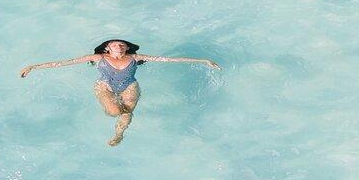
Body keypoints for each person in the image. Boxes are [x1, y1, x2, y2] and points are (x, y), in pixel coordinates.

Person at [20, 39, 220, 146]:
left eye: (122, 44)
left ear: (126, 48)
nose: (119, 45)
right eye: (115, 43)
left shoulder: (135, 57)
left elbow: (167, 59)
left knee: (127, 112)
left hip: (130, 86)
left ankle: (119, 133)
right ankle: (117, 121)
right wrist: (33, 66)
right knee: (115, 111)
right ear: (107, 48)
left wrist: (202, 61)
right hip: (104, 86)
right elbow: (65, 62)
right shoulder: (97, 57)